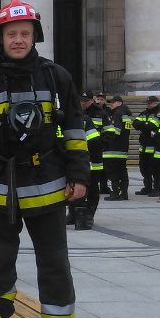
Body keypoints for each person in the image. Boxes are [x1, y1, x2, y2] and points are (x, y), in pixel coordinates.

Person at [0, 0, 90, 318]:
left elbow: (75, 131)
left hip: (48, 187)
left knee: (55, 263)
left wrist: (79, 175)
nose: (18, 40)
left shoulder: (56, 76)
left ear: (36, 36)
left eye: (25, 33)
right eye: (11, 33)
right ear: (0, 37)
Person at [67, 92, 102, 230]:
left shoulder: (85, 119)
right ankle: (73, 213)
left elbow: (94, 142)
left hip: (91, 161)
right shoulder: (69, 118)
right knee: (72, 188)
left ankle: (89, 215)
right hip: (74, 161)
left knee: (92, 188)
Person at [101, 95, 132, 201]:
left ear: (119, 103)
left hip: (113, 147)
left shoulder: (116, 114)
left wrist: (104, 137)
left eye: (113, 102)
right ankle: (123, 192)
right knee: (122, 170)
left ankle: (116, 192)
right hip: (123, 147)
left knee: (113, 171)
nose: (111, 104)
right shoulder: (125, 114)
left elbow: (116, 131)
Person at [134, 96, 160, 196]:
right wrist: (145, 124)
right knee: (144, 168)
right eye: (147, 103)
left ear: (156, 103)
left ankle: (156, 188)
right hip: (144, 145)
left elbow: (153, 125)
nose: (148, 105)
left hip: (154, 146)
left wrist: (143, 125)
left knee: (155, 169)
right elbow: (135, 123)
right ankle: (147, 187)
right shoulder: (144, 113)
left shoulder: (159, 113)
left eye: (150, 103)